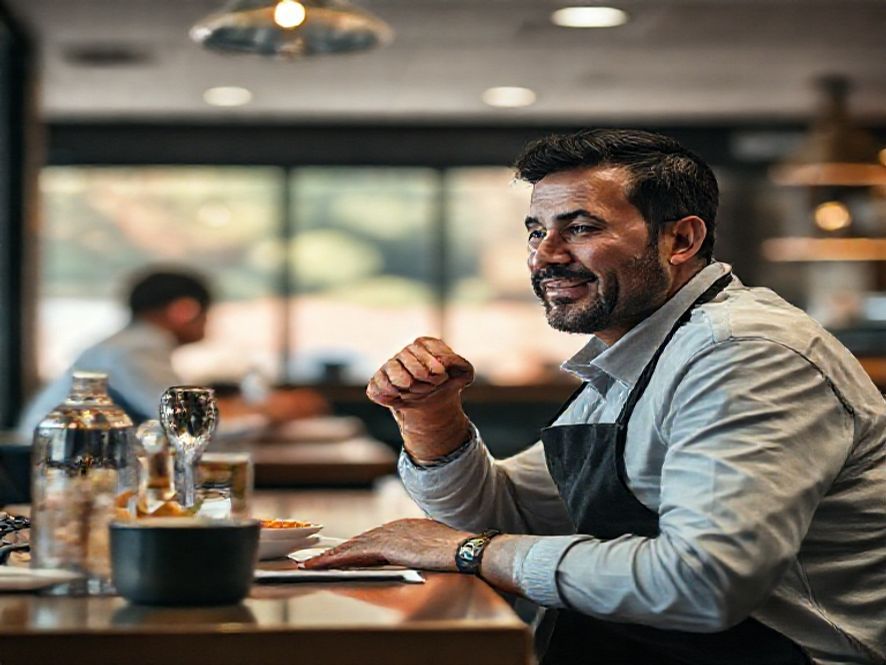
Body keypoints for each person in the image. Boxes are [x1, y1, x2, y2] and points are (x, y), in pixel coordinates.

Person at [304, 129, 886, 664]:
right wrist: (429, 418)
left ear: (681, 239)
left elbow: (703, 582)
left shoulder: (743, 354)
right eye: (537, 231)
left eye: (581, 228)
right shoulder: (645, 352)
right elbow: (505, 515)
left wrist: (469, 552)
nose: (545, 255)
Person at [17, 269, 328, 438]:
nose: (208, 323)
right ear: (184, 310)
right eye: (207, 313)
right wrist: (268, 409)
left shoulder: (132, 344)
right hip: (56, 466)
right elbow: (186, 422)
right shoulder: (134, 351)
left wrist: (261, 408)